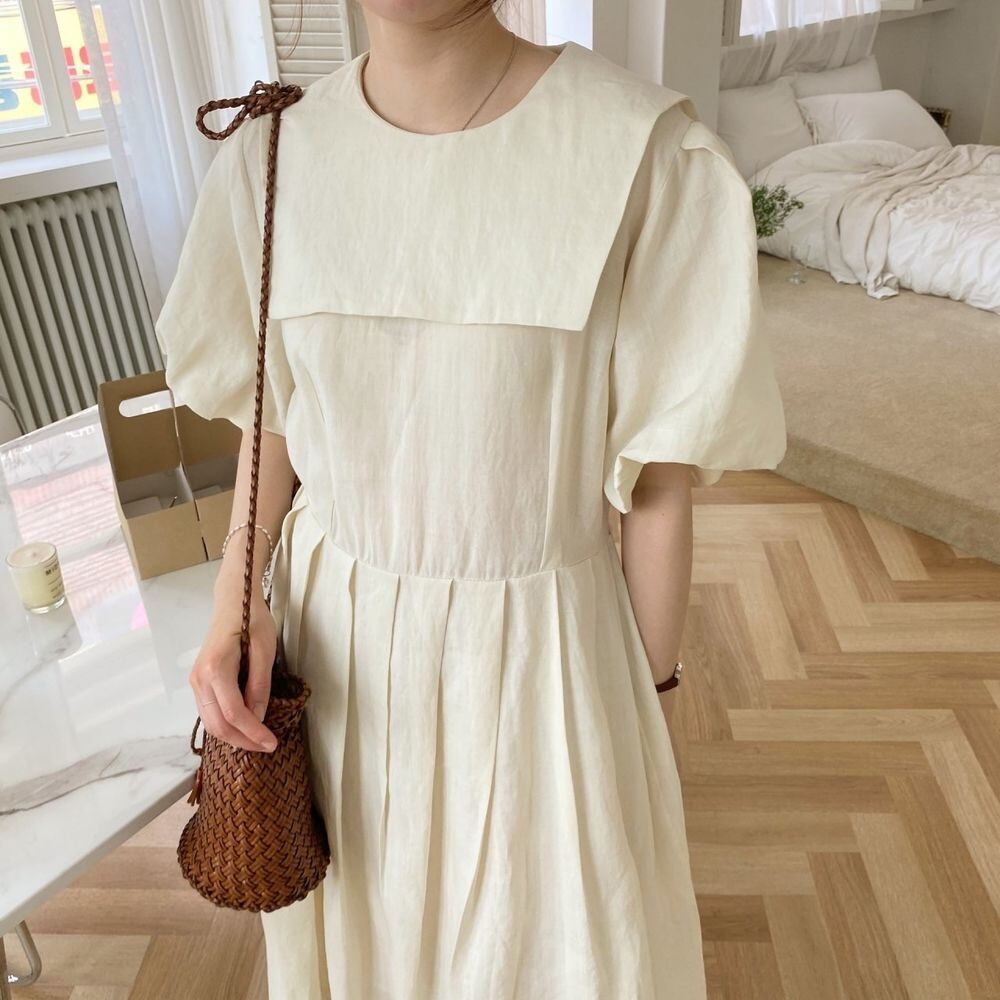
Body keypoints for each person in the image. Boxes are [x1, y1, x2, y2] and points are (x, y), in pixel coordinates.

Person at [154, 1, 787, 997]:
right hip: (335, 660)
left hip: (547, 661)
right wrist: (236, 603)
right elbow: (273, 418)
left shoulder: (640, 151)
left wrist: (643, 703)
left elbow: (659, 476)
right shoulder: (271, 158)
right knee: (369, 945)